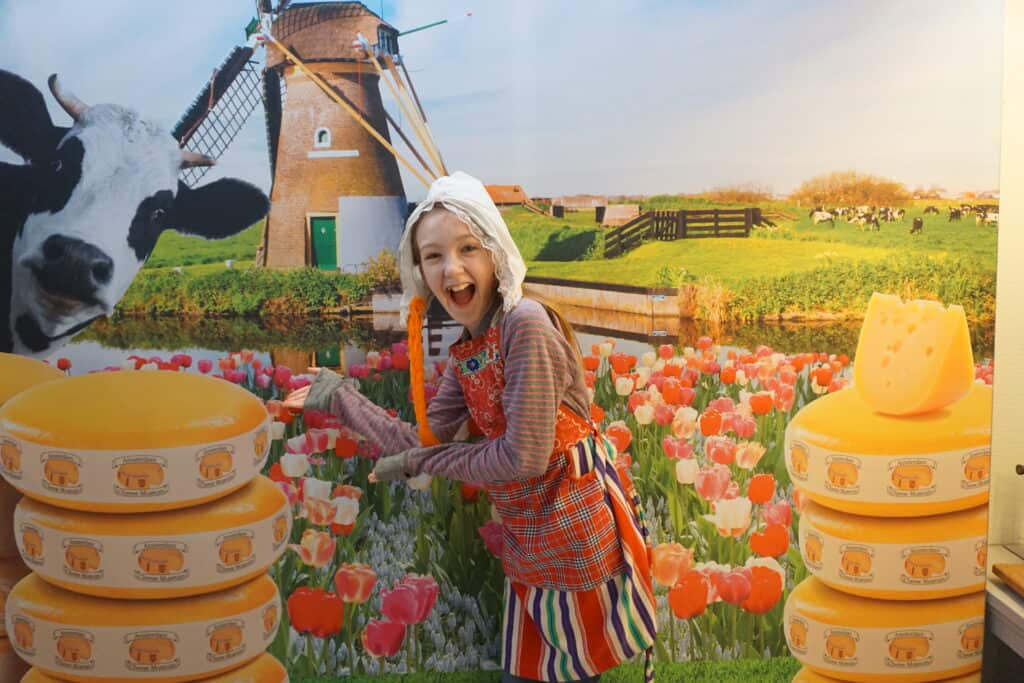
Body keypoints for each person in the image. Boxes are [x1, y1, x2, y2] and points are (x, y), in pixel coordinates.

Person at [286, 171, 656, 682]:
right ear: (420, 270)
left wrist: (420, 461)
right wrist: (340, 396)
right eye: (433, 255)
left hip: (570, 529)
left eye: (467, 248)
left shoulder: (524, 324)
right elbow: (419, 445)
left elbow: (520, 458)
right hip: (530, 533)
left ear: (495, 254)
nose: (451, 268)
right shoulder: (470, 349)